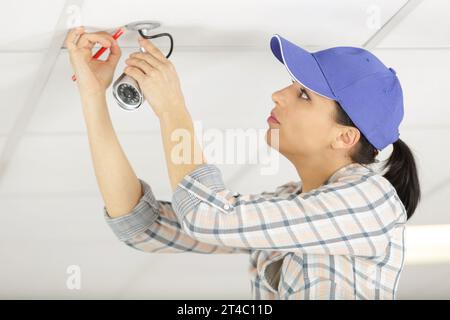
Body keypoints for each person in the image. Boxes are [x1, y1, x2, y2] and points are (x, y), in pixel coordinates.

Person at [66, 27, 421, 300]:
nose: (278, 94)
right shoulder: (292, 203)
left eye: (303, 94)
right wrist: (93, 93)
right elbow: (143, 227)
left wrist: (172, 107)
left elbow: (207, 217)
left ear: (345, 137)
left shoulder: (370, 201)